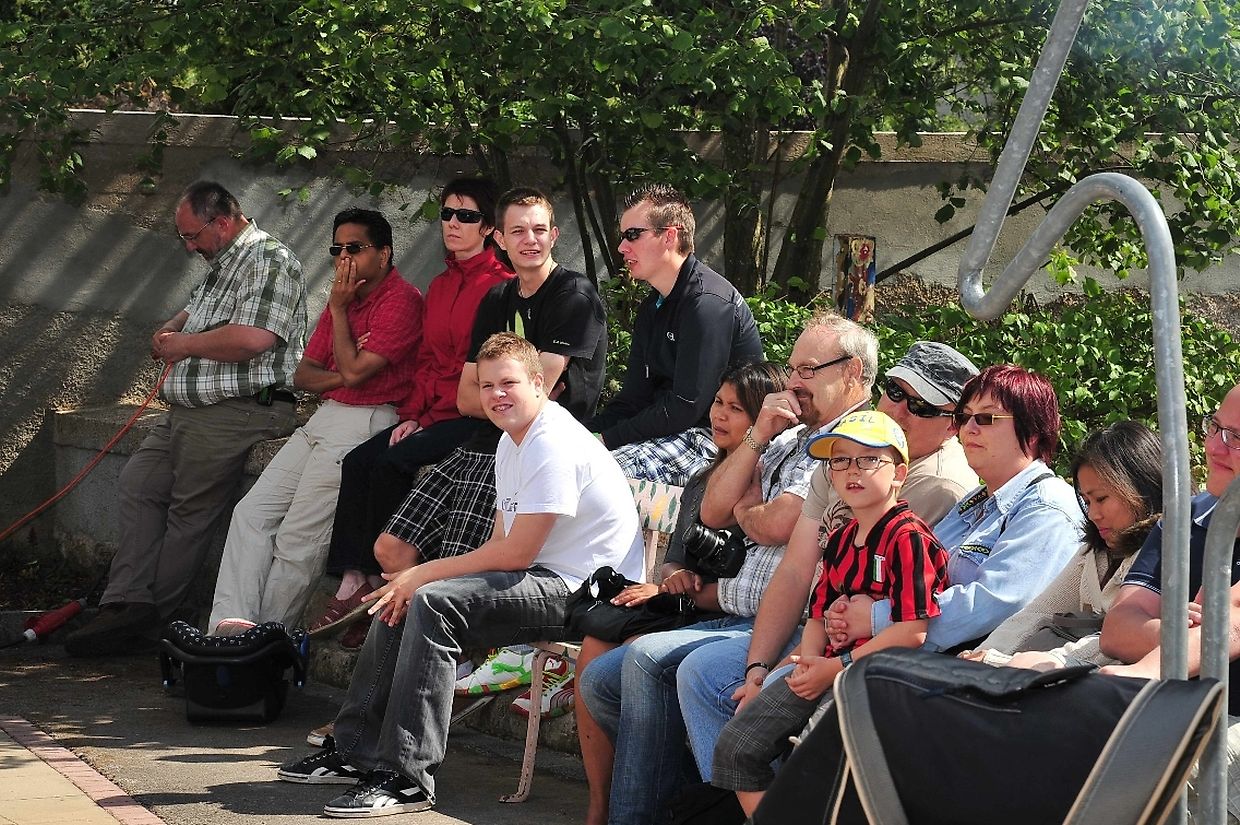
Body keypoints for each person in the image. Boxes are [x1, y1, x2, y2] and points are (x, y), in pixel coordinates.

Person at [275, 333, 644, 819]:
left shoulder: (551, 442)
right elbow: (500, 542)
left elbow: (515, 553)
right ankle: (354, 750)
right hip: (547, 577)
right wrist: (415, 580)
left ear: (540, 383)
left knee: (432, 599)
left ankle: (408, 778)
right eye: (487, 386)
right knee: (409, 595)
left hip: (589, 593)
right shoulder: (512, 440)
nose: (497, 395)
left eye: (509, 383)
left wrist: (422, 574)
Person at [577, 313, 873, 825]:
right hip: (733, 611)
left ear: (851, 373)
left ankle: (647, 816)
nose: (793, 382)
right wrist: (757, 435)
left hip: (792, 624)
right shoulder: (787, 435)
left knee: (648, 661)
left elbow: (777, 524)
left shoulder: (850, 445)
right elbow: (714, 510)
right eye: (792, 368)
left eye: (807, 370)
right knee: (601, 680)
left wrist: (748, 507)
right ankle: (681, 804)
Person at [672, 340, 982, 788]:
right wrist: (762, 669)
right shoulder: (848, 456)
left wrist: (815, 664)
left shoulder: (938, 489)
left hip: (870, 663)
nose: (898, 410)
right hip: (817, 639)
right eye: (895, 392)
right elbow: (799, 572)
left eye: (921, 406)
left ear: (953, 424)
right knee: (716, 711)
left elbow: (905, 622)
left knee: (704, 681)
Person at [321, 186, 607, 651]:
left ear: (554, 235)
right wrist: (499, 398)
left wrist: (491, 397)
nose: (530, 240)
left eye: (539, 230)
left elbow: (531, 403)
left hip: (534, 448)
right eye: (518, 231)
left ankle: (442, 651)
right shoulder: (497, 297)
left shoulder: (573, 295)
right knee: (389, 547)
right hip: (481, 438)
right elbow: (468, 395)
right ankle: (403, 625)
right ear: (501, 238)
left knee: (454, 568)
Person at [65, 180, 306, 657]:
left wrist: (185, 344)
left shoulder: (269, 259)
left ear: (223, 222)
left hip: (237, 409)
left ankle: (153, 620)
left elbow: (254, 338)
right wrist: (170, 330)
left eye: (192, 236)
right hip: (188, 409)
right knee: (139, 482)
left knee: (190, 512)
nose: (189, 247)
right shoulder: (225, 262)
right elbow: (196, 311)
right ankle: (125, 602)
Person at [574, 361, 785, 825]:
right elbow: (674, 557)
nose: (720, 415)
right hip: (684, 605)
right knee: (595, 664)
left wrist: (686, 591)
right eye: (718, 403)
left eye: (736, 409)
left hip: (723, 614)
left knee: (637, 656)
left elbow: (752, 583)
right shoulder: (702, 480)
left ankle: (637, 812)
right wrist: (673, 575)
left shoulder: (767, 482)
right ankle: (643, 798)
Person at [713, 410, 950, 816]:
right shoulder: (840, 538)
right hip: (828, 667)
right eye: (839, 460)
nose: (851, 470)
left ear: (899, 473)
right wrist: (809, 662)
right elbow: (818, 616)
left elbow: (913, 632)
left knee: (811, 761)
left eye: (869, 459)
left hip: (877, 677)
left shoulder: (908, 537)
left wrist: (836, 667)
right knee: (737, 747)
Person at [308, 178, 512, 637]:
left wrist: (430, 416)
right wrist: (413, 414)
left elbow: (482, 368)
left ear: (488, 228)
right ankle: (354, 580)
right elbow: (425, 360)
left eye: (467, 216)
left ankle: (382, 586)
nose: (453, 223)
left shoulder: (500, 288)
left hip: (472, 415)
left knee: (392, 463)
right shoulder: (439, 285)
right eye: (447, 214)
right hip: (433, 411)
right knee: (359, 461)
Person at [206, 209, 424, 634]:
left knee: (299, 537)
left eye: (354, 248)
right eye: (336, 249)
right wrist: (347, 366)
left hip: (369, 418)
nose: (343, 258)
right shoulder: (344, 298)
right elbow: (303, 375)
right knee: (250, 513)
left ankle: (269, 638)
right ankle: (228, 629)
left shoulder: (401, 299)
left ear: (384, 253)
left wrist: (341, 321)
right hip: (325, 417)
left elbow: (357, 373)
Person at [825, 364, 1083, 654]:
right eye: (964, 417)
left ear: (1032, 431)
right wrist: (847, 606)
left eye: (986, 418)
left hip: (973, 669)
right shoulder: (975, 503)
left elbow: (995, 602)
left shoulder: (1048, 507)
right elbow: (916, 576)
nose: (969, 428)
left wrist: (876, 618)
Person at [1101, 384, 1240, 821]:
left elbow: (1231, 619)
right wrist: (1179, 631)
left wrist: (1142, 672)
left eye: (1237, 438)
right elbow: (1118, 628)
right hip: (1182, 702)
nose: (1215, 446)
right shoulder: (1185, 518)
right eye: (1215, 427)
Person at [586, 183, 762, 487]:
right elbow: (633, 399)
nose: (622, 247)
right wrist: (581, 434)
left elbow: (685, 407)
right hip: (667, 433)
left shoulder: (708, 303)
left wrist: (606, 440)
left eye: (633, 235)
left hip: (713, 439)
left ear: (670, 236)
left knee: (595, 477)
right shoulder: (652, 307)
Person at [962, 420, 1163, 668]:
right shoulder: (1094, 552)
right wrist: (980, 658)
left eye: (1101, 499)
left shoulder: (1165, 554)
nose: (1093, 514)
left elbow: (1114, 641)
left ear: (1142, 488)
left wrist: (1012, 662)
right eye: (1087, 502)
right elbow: (1037, 612)